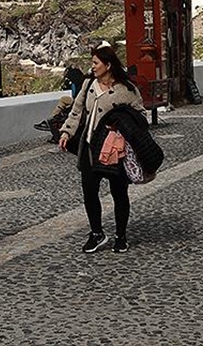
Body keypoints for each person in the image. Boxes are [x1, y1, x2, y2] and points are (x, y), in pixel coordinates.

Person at [57, 42, 145, 254]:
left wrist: (122, 122)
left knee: (118, 192)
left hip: (115, 150)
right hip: (89, 147)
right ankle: (97, 233)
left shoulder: (126, 90)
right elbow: (76, 111)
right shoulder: (88, 85)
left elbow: (141, 116)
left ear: (107, 64)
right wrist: (66, 132)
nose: (92, 67)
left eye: (96, 63)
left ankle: (121, 236)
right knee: (89, 191)